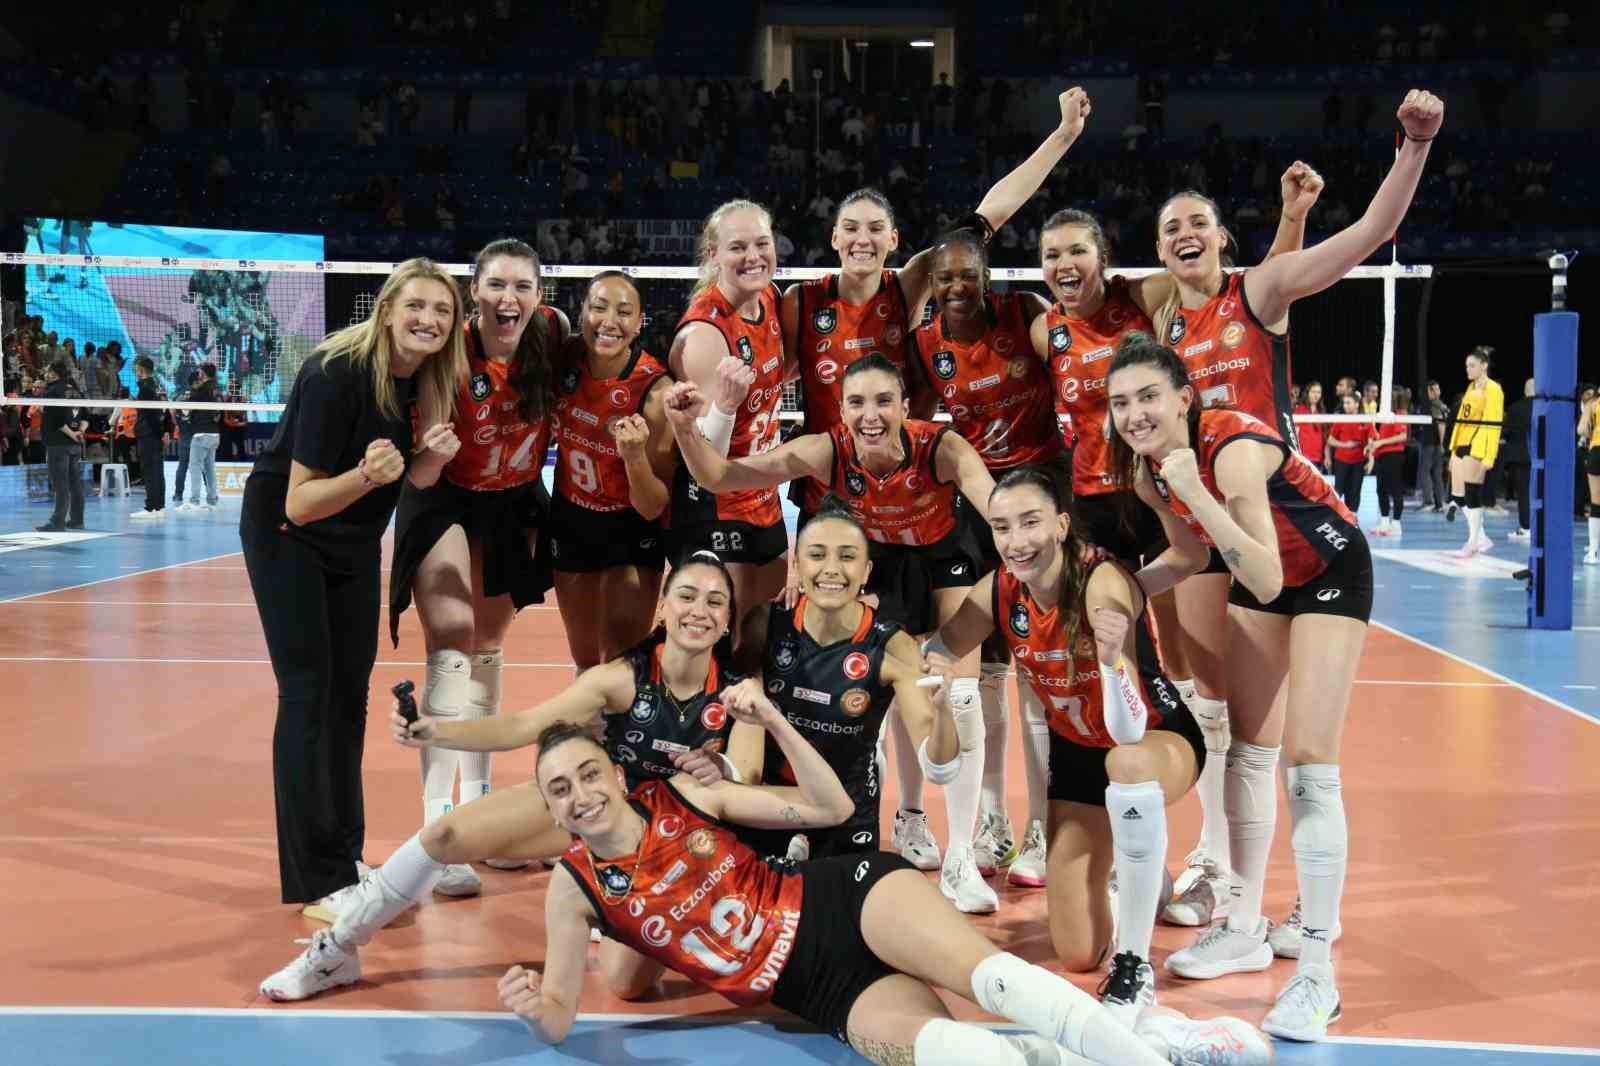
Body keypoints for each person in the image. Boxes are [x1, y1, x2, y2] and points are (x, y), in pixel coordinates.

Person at [491, 719, 1274, 1066]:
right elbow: (559, 1018)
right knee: (966, 1058)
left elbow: (829, 807)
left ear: (616, 774)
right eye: (559, 789)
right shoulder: (574, 888)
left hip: (847, 899)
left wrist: (772, 725)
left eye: (587, 773)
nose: (579, 795)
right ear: (552, 810)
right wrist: (534, 1010)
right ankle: (1162, 1044)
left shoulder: (683, 795)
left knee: (998, 983)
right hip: (817, 989)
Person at [785, 85, 1095, 884]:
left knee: (988, 668)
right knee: (842, 670)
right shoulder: (800, 304)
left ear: (894, 243)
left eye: (875, 230)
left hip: (951, 506)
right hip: (842, 511)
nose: (862, 240)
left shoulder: (917, 291)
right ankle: (836, 819)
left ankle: (994, 820)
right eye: (849, 229)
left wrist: (1062, 137)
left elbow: (990, 212)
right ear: (833, 238)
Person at [260, 554, 765, 1002]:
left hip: (671, 849)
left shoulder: (739, 693)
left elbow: (747, 777)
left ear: (727, 622)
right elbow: (523, 726)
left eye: (714, 602)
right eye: (686, 596)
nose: (699, 610)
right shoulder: (622, 678)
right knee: (444, 834)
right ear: (663, 609)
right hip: (595, 812)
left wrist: (721, 770)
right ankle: (338, 950)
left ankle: (617, 909)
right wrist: (437, 730)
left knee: (626, 985)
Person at [1107, 331, 1374, 1042]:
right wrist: (1117, 591)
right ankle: (1244, 926)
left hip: (1327, 570)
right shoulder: (1149, 472)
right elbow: (1189, 554)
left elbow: (1267, 576)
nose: (1134, 414)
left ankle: (1316, 974)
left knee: (1308, 767)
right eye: (1121, 402)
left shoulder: (1230, 448)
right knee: (1248, 753)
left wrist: (1196, 487)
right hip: (1262, 570)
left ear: (1183, 399)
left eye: (1149, 397)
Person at [1092, 162, 1324, 915]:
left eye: (1199, 223)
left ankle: (1299, 893)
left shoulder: (1253, 296)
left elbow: (1276, 277)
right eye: (1171, 229)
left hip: (1268, 520)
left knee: (1282, 734)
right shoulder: (1162, 322)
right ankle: (1217, 863)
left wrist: (1294, 215)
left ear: (1223, 236)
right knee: (1211, 705)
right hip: (1196, 520)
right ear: (1160, 250)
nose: (1186, 235)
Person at [924, 467, 1205, 1025]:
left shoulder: (1102, 583)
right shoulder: (999, 590)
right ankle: (1142, 875)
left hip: (1153, 736)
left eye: (1030, 522)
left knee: (1126, 763)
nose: (1016, 541)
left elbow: (1127, 729)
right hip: (1076, 754)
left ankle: (1134, 964)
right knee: (1077, 952)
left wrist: (1110, 662)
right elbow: (941, 645)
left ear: (1060, 524)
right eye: (1002, 527)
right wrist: (910, 656)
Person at [239, 257, 467, 910]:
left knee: (349, 701)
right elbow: (300, 502)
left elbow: (412, 478)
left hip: (354, 544)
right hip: (290, 538)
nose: (428, 320)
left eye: (442, 311)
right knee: (308, 697)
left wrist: (430, 460)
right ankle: (318, 883)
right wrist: (367, 476)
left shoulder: (424, 381)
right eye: (416, 305)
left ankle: (344, 860)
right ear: (387, 309)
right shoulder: (336, 373)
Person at [387, 239, 569, 896]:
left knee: (488, 646)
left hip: (513, 502)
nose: (508, 298)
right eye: (496, 285)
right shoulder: (449, 352)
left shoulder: (553, 335)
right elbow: (419, 474)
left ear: (539, 296)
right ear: (475, 292)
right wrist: (433, 453)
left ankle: (481, 820)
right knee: (452, 640)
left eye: (521, 286)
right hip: (444, 496)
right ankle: (439, 832)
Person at [667, 199, 794, 663]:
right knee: (721, 644)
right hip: (716, 506)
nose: (753, 256)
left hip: (763, 496)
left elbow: (777, 372)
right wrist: (724, 405)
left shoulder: (770, 299)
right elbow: (704, 460)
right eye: (738, 247)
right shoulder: (705, 334)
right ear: (713, 254)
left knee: (763, 637)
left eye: (762, 243)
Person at [544, 271, 674, 671]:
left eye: (623, 312)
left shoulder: (655, 391)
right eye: (599, 307)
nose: (609, 321)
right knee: (584, 659)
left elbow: (653, 506)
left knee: (623, 659)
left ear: (639, 323)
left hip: (630, 527)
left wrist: (633, 457)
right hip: (571, 517)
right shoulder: (564, 361)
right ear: (582, 312)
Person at [1446, 344, 1504, 557]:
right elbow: (1461, 421)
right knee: (1458, 496)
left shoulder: (1493, 389)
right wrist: (1453, 449)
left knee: (1471, 493)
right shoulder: (1471, 388)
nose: (1468, 369)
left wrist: (1489, 456)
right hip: (1461, 444)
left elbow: (1494, 425)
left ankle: (1473, 542)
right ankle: (1481, 537)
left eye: (1472, 365)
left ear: (1484, 365)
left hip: (1477, 445)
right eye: (1466, 366)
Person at [36, 358, 87, 532]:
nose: (45, 373)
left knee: (61, 484)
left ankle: (57, 522)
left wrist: (72, 434)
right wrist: (80, 431)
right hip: (75, 445)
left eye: (47, 370)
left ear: (53, 373)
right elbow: (85, 416)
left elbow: (56, 420)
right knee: (75, 483)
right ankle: (77, 520)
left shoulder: (52, 391)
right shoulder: (76, 390)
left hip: (58, 444)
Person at [130, 356, 169, 520]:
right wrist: (165, 431)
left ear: (140, 370)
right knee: (157, 471)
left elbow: (151, 416)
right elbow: (166, 410)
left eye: (135, 369)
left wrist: (161, 433)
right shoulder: (158, 386)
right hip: (155, 435)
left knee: (149, 471)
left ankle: (151, 507)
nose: (135, 372)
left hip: (148, 435)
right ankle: (159, 507)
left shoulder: (145, 389)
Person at [178, 362, 221, 511]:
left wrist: (182, 404)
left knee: (195, 467)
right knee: (209, 469)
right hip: (214, 434)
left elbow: (187, 408)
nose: (198, 374)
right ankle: (212, 500)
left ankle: (194, 501)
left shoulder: (201, 390)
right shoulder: (216, 388)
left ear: (202, 373)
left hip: (202, 434)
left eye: (199, 371)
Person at [1368, 386, 1409, 536]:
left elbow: (1403, 436)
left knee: (1395, 489)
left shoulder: (1400, 414)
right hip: (1382, 455)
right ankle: (1384, 523)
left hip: (1394, 456)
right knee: (1381, 489)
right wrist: (1374, 444)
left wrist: (1381, 442)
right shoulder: (1387, 416)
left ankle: (1396, 524)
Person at [1500, 377, 1534, 540]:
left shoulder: (1515, 408)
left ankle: (1526, 527)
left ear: (1525, 391)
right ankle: (1540, 527)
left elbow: (1506, 432)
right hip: (1541, 457)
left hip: (1519, 457)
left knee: (1524, 493)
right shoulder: (1545, 408)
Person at [1418, 380, 1448, 510]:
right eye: (1435, 389)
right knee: (1436, 473)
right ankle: (1439, 503)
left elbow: (1441, 425)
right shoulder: (1440, 404)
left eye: (1437, 389)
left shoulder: (1435, 405)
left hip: (1431, 443)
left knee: (1425, 472)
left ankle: (1428, 502)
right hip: (1435, 443)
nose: (1437, 392)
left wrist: (1441, 444)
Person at [1295, 380, 1328, 473]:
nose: (1316, 395)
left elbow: (1325, 436)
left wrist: (1326, 456)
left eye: (1318, 392)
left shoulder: (1321, 411)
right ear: (1307, 393)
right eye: (1313, 392)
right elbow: (1296, 433)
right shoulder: (1300, 409)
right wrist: (1297, 454)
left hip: (1319, 457)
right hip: (1304, 457)